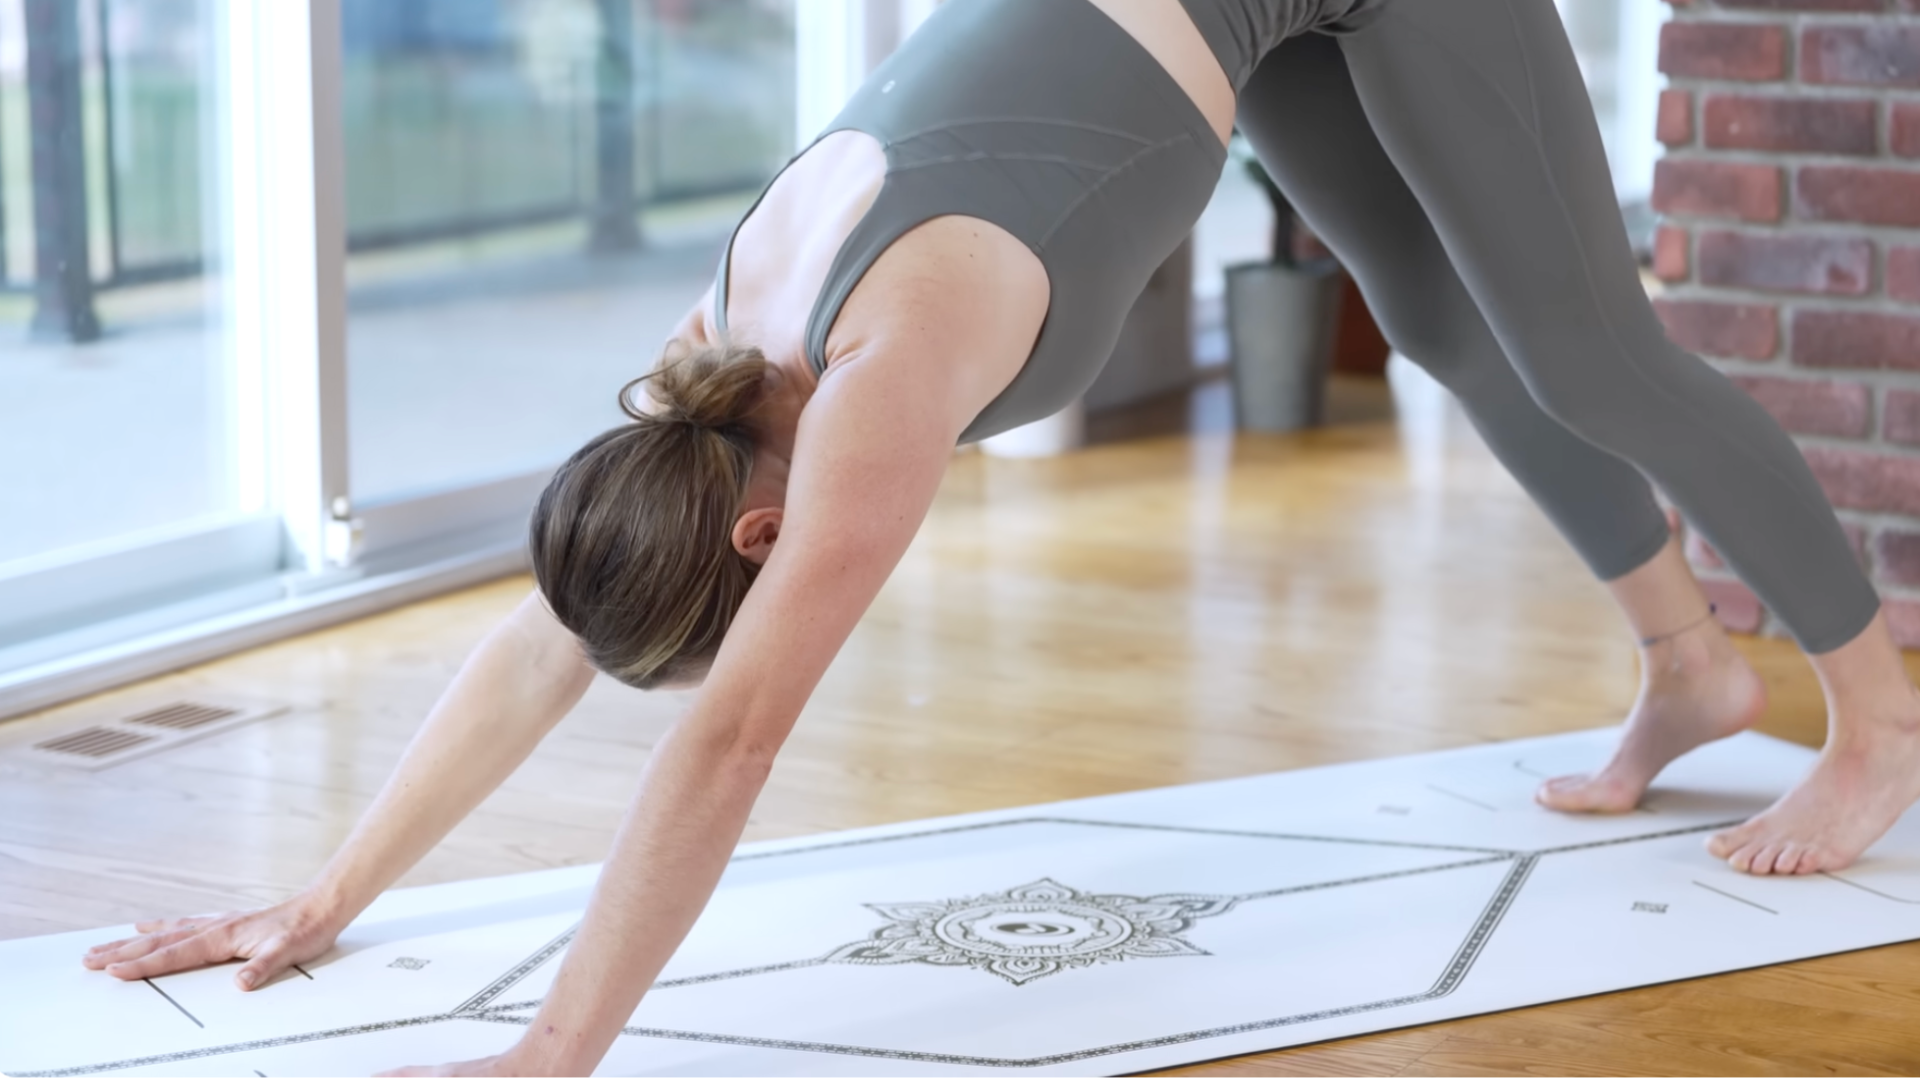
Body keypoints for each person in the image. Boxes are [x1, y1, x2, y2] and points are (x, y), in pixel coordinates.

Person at [81, 0, 1920, 1074]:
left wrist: (552, 1055)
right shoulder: (703, 373)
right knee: (1446, 325)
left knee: (1588, 347)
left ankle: (1877, 723)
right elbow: (543, 634)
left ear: (767, 534)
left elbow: (730, 745)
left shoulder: (873, 382)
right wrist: (321, 900)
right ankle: (1687, 668)